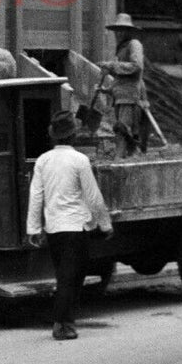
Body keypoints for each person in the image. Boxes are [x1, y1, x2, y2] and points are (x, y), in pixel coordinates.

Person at [27, 111, 114, 340]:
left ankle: (67, 320)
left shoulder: (43, 161)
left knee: (64, 275)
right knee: (73, 276)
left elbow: (36, 195)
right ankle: (61, 323)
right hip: (76, 228)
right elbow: (93, 196)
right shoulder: (80, 160)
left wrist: (34, 229)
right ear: (73, 135)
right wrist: (105, 224)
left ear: (53, 136)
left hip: (54, 228)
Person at [101, 13, 150, 157]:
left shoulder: (134, 44)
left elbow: (137, 66)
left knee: (123, 129)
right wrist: (108, 90)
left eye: (122, 30)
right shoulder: (121, 48)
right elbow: (121, 79)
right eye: (117, 30)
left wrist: (111, 65)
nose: (119, 33)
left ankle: (119, 159)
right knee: (123, 131)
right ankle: (129, 157)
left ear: (129, 31)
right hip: (120, 97)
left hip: (131, 96)